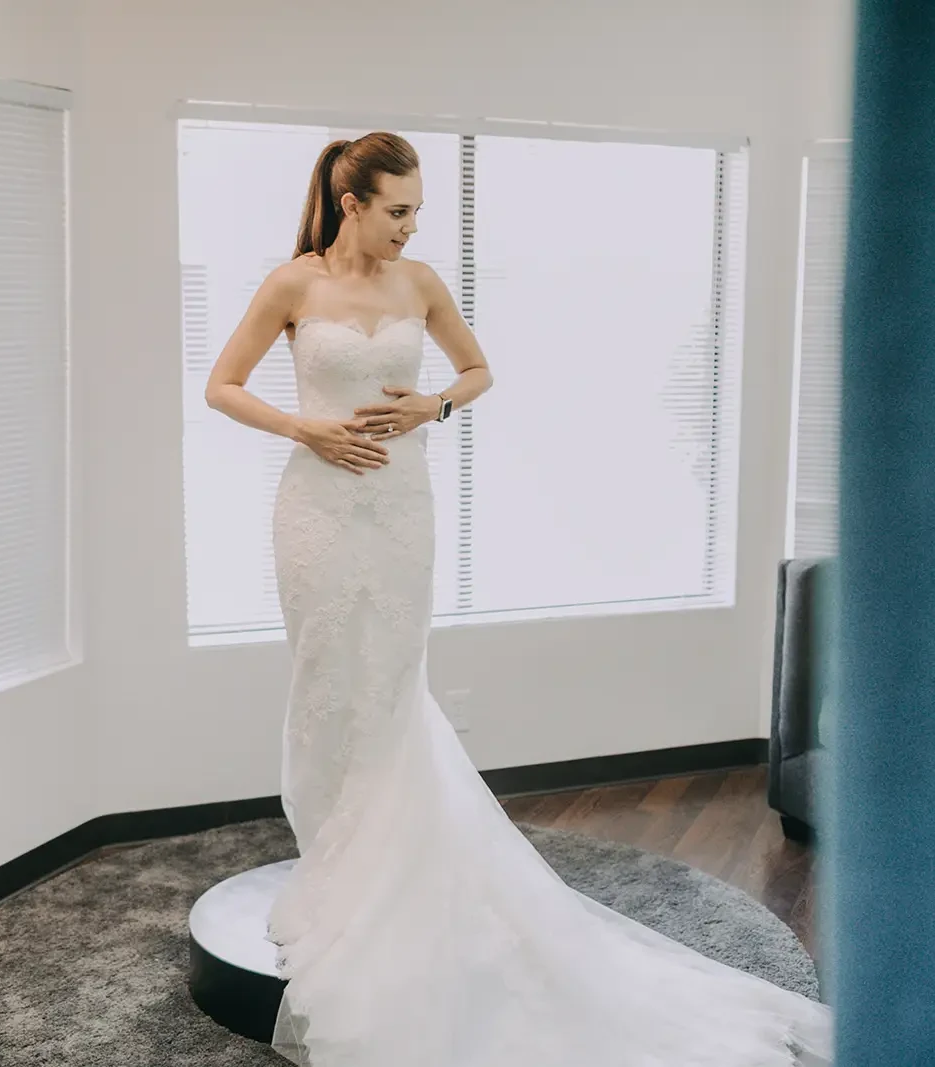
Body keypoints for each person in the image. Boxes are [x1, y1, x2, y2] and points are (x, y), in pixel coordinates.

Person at [204, 132, 833, 1067]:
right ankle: (335, 869)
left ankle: (396, 877)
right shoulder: (293, 285)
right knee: (324, 684)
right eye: (397, 209)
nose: (411, 225)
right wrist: (305, 428)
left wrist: (434, 407)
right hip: (319, 510)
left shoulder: (418, 283)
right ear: (350, 203)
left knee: (389, 686)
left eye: (416, 209)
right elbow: (222, 385)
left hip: (403, 511)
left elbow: (478, 370)